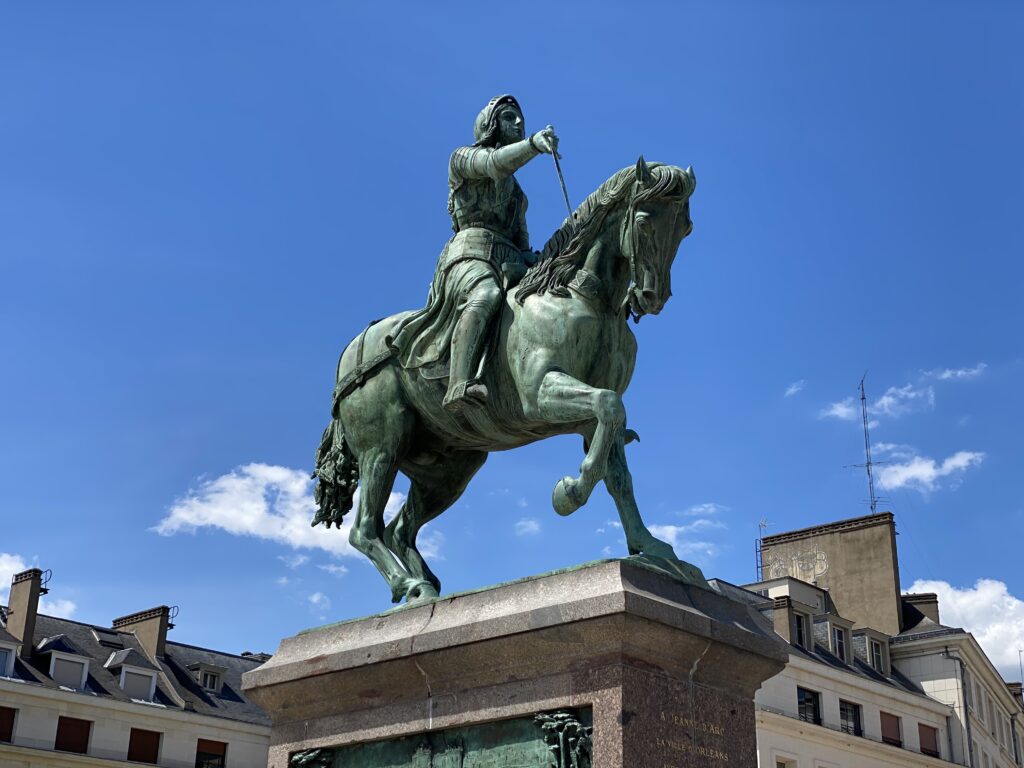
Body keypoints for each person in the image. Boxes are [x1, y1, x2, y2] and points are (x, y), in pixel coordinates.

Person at [388, 95, 560, 412]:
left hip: (509, 263)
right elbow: (494, 165)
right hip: (468, 257)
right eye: (509, 117)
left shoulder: (517, 195)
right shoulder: (463, 158)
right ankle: (460, 382)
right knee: (486, 295)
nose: (519, 123)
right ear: (490, 125)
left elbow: (523, 244)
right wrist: (533, 145)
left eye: (521, 120)